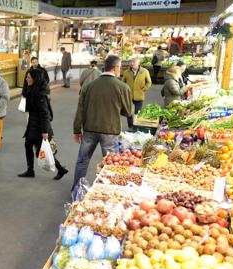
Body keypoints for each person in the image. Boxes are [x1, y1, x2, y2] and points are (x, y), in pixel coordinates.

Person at [71, 55, 133, 196]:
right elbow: (128, 111)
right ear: (116, 68)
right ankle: (109, 193)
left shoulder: (89, 86)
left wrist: (76, 129)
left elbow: (80, 109)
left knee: (82, 161)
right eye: (120, 67)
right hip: (110, 130)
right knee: (110, 163)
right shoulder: (122, 87)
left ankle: (76, 191)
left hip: (89, 129)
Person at [18, 69, 69, 180]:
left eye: (29, 77)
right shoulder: (33, 90)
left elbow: (44, 114)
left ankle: (60, 169)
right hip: (33, 125)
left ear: (35, 79)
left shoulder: (39, 95)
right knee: (30, 146)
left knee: (45, 151)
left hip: (39, 128)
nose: (26, 79)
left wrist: (45, 131)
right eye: (27, 77)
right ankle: (30, 170)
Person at [122, 57, 152, 130]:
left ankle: (137, 126)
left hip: (139, 95)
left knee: (137, 112)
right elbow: (123, 83)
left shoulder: (145, 71)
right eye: (131, 62)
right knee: (129, 112)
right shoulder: (126, 72)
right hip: (129, 95)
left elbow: (149, 82)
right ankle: (130, 126)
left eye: (134, 62)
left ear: (138, 63)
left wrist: (144, 89)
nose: (132, 63)